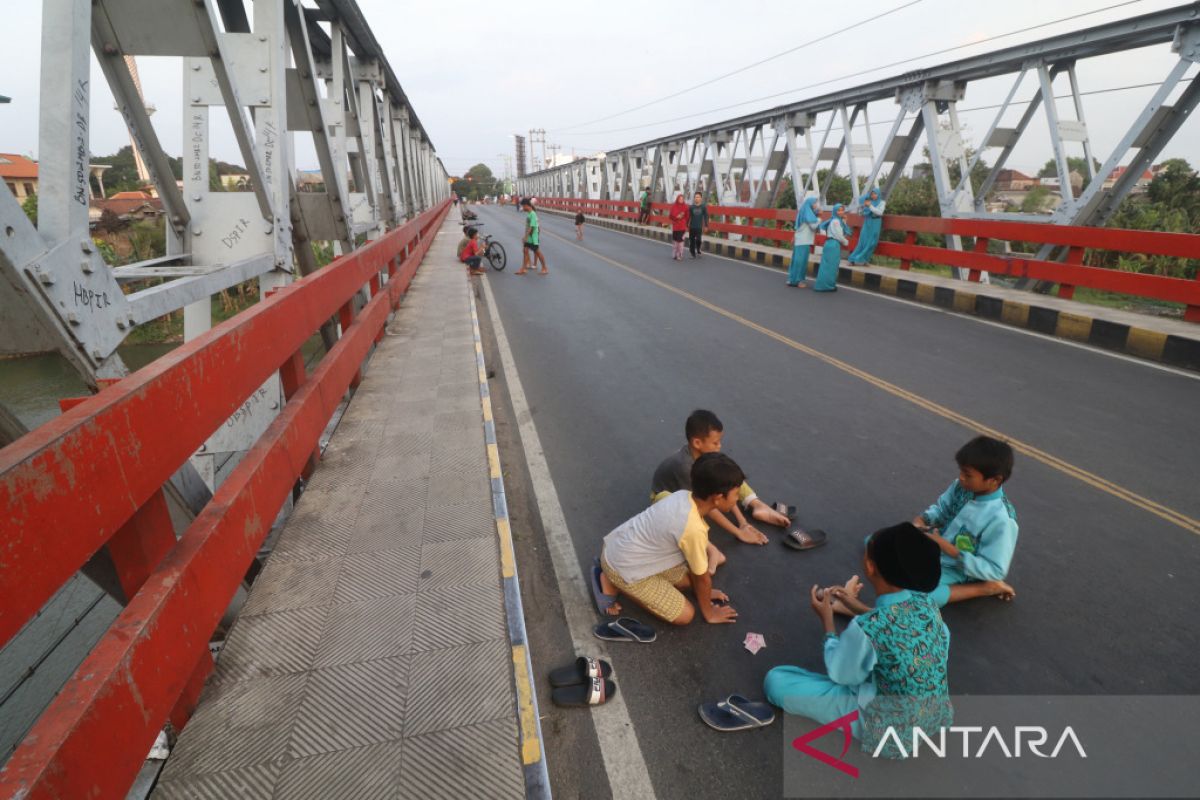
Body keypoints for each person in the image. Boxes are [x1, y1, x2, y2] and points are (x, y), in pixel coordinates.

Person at [763, 522, 952, 758]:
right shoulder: (926, 603)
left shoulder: (867, 628)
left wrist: (827, 621)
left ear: (870, 567)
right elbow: (902, 631)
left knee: (776, 682)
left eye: (867, 552)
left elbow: (840, 673)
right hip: (932, 716)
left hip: (887, 730)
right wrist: (854, 605)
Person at [597, 453, 743, 625]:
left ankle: (613, 574)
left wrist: (702, 590)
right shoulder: (693, 528)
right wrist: (710, 613)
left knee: (688, 583)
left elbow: (698, 578)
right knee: (685, 615)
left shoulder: (684, 495)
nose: (738, 498)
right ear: (718, 498)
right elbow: (702, 577)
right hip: (622, 565)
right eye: (736, 493)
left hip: (622, 547)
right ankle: (614, 581)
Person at [651, 410, 802, 549]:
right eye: (715, 443)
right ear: (697, 443)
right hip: (666, 497)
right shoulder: (685, 468)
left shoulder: (705, 456)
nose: (720, 446)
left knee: (728, 472)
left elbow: (726, 485)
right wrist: (738, 532)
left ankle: (757, 505)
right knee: (692, 519)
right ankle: (709, 547)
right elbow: (709, 504)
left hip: (701, 491)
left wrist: (743, 522)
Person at [913, 435, 1019, 607]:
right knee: (877, 545)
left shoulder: (1002, 519)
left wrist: (945, 546)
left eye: (967, 474)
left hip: (959, 569)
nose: (961, 477)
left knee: (915, 598)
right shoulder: (962, 486)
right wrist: (920, 522)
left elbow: (995, 569)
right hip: (934, 547)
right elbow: (940, 510)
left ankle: (985, 588)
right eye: (961, 471)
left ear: (995, 480)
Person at [814, 204, 849, 292]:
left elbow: (841, 231)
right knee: (832, 266)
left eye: (842, 210)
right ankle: (828, 286)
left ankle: (823, 285)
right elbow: (839, 235)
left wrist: (844, 221)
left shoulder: (835, 220)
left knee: (827, 265)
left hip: (830, 243)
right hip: (834, 244)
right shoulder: (836, 221)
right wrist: (846, 242)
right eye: (839, 210)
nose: (841, 212)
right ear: (834, 211)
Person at [787, 196, 821, 287]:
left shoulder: (803, 211)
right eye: (815, 203)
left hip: (799, 239)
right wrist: (819, 219)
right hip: (804, 241)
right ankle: (798, 281)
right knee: (801, 261)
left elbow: (799, 226)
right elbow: (813, 226)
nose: (816, 205)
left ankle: (792, 279)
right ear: (810, 204)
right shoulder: (808, 213)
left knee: (796, 260)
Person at [848, 188, 886, 265]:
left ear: (878, 194)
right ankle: (854, 259)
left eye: (875, 194)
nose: (873, 195)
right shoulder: (868, 202)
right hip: (867, 222)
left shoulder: (882, 202)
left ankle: (864, 259)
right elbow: (860, 214)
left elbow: (879, 212)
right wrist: (862, 207)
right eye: (872, 194)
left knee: (872, 242)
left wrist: (870, 206)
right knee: (863, 240)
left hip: (876, 222)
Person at [515, 198, 548, 276]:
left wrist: (525, 237)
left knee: (538, 252)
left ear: (526, 205)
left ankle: (544, 268)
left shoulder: (533, 214)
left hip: (532, 237)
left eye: (523, 206)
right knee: (525, 251)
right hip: (529, 237)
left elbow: (532, 227)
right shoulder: (529, 213)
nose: (523, 208)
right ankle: (523, 268)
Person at [687, 192, 709, 258]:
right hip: (692, 226)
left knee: (698, 240)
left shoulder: (703, 207)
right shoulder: (691, 207)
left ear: (701, 198)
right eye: (696, 197)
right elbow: (688, 216)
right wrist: (686, 224)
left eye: (698, 197)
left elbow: (706, 216)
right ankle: (692, 254)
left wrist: (706, 225)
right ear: (694, 198)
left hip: (699, 227)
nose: (697, 198)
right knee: (692, 241)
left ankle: (698, 248)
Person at [669, 194, 689, 261]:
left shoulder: (685, 207)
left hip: (682, 226)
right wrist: (676, 217)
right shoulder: (674, 206)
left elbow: (687, 217)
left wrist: (686, 224)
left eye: (682, 199)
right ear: (677, 199)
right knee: (675, 240)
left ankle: (680, 254)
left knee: (680, 240)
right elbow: (670, 216)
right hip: (675, 226)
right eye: (680, 199)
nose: (681, 200)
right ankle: (674, 253)